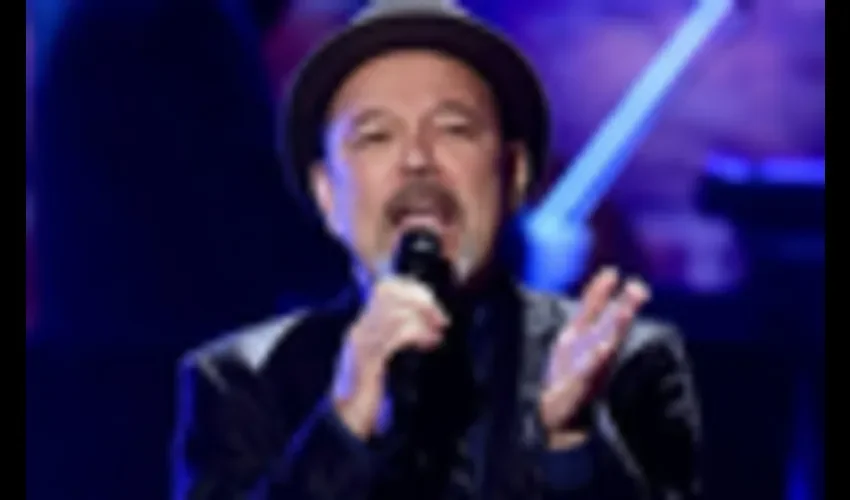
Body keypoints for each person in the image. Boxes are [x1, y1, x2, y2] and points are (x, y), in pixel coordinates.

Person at [172, 2, 701, 499]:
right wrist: (341, 425)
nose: (417, 159)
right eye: (375, 136)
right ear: (326, 195)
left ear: (514, 174)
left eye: (455, 130)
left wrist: (572, 448)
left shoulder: (627, 365)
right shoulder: (241, 379)